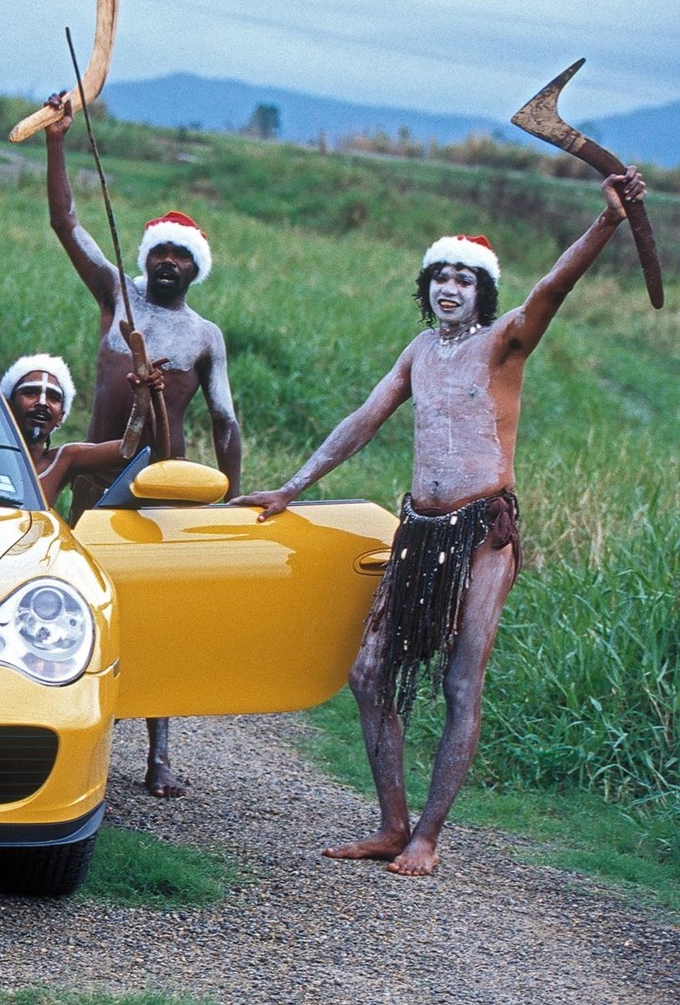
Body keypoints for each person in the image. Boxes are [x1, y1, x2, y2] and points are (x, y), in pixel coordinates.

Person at [230, 168, 646, 876]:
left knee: (459, 684)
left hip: (480, 533)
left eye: (463, 278)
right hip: (419, 532)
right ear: (425, 287)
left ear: (482, 290)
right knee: (367, 671)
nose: (448, 288)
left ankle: (428, 834)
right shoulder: (419, 352)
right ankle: (391, 824)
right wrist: (291, 487)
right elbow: (362, 420)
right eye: (438, 277)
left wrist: (605, 222)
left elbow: (549, 290)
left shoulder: (505, 342)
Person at [44, 93, 242, 797]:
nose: (165, 262)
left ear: (194, 268)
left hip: (161, 487)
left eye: (178, 256)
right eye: (157, 250)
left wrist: (231, 497)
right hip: (94, 476)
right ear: (145, 257)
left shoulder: (203, 337)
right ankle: (65, 738)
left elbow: (224, 422)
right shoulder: (115, 297)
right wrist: (57, 143)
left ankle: (158, 753)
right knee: (65, 601)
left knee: (153, 616)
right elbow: (66, 222)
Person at [0, 354, 151, 504]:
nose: (43, 402)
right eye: (31, 393)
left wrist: (146, 398)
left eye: (53, 397)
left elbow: (135, 447)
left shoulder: (63, 460)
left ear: (60, 417)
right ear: (8, 406)